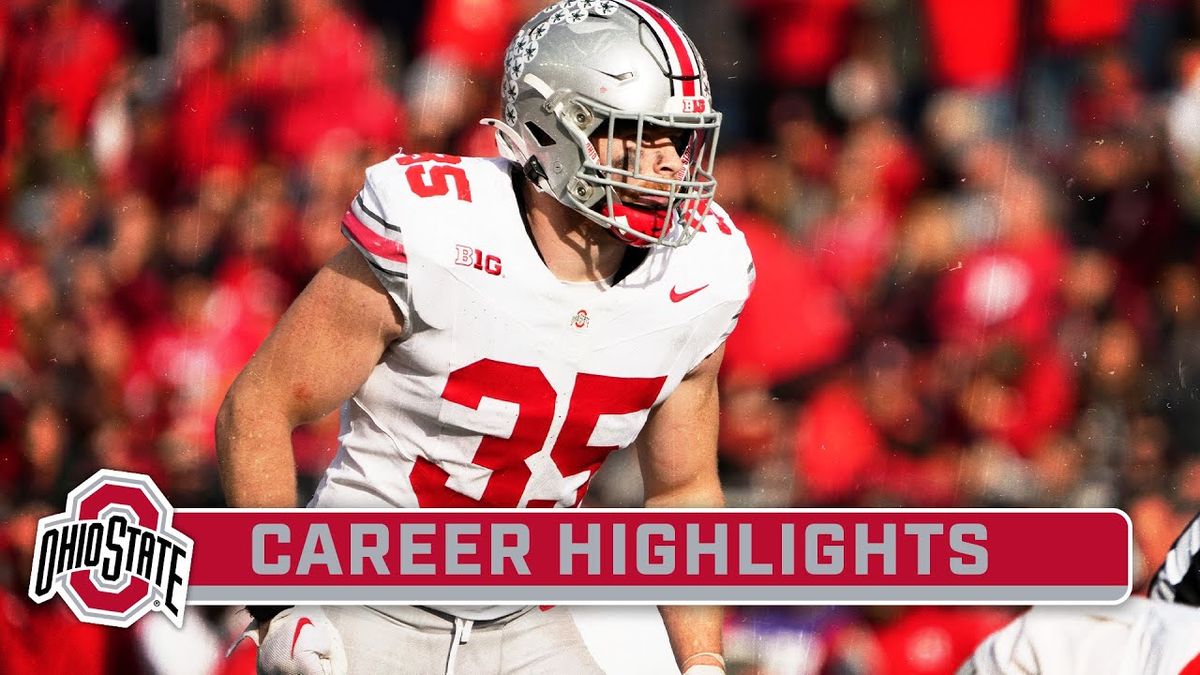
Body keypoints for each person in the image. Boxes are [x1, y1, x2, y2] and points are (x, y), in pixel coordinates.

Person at [215, 1, 752, 674]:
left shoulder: (701, 273)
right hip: (362, 600)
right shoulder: (438, 230)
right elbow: (260, 404)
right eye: (644, 136)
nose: (673, 167)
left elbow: (683, 490)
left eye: (681, 140)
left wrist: (703, 659)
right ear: (559, 130)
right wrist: (278, 606)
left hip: (524, 615)